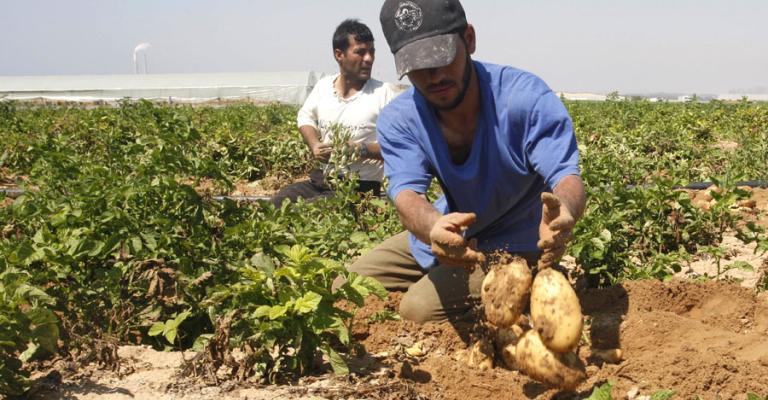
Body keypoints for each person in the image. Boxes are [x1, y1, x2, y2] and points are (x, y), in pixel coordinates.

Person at [348, 0, 586, 324]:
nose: (434, 76)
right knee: (345, 288)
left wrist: (566, 211)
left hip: (514, 243)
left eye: (441, 58)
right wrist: (433, 227)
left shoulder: (524, 99)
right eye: (417, 65)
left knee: (417, 309)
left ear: (469, 39)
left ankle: (528, 282)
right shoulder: (401, 118)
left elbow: (566, 177)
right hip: (450, 232)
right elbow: (406, 194)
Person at [270, 19, 399, 207]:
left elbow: (399, 146)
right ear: (339, 55)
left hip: (358, 188)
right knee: (277, 203)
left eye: (371, 52)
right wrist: (314, 144)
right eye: (360, 52)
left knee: (309, 209)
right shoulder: (323, 87)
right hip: (322, 181)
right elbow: (305, 116)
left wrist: (361, 149)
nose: (369, 59)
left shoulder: (385, 94)